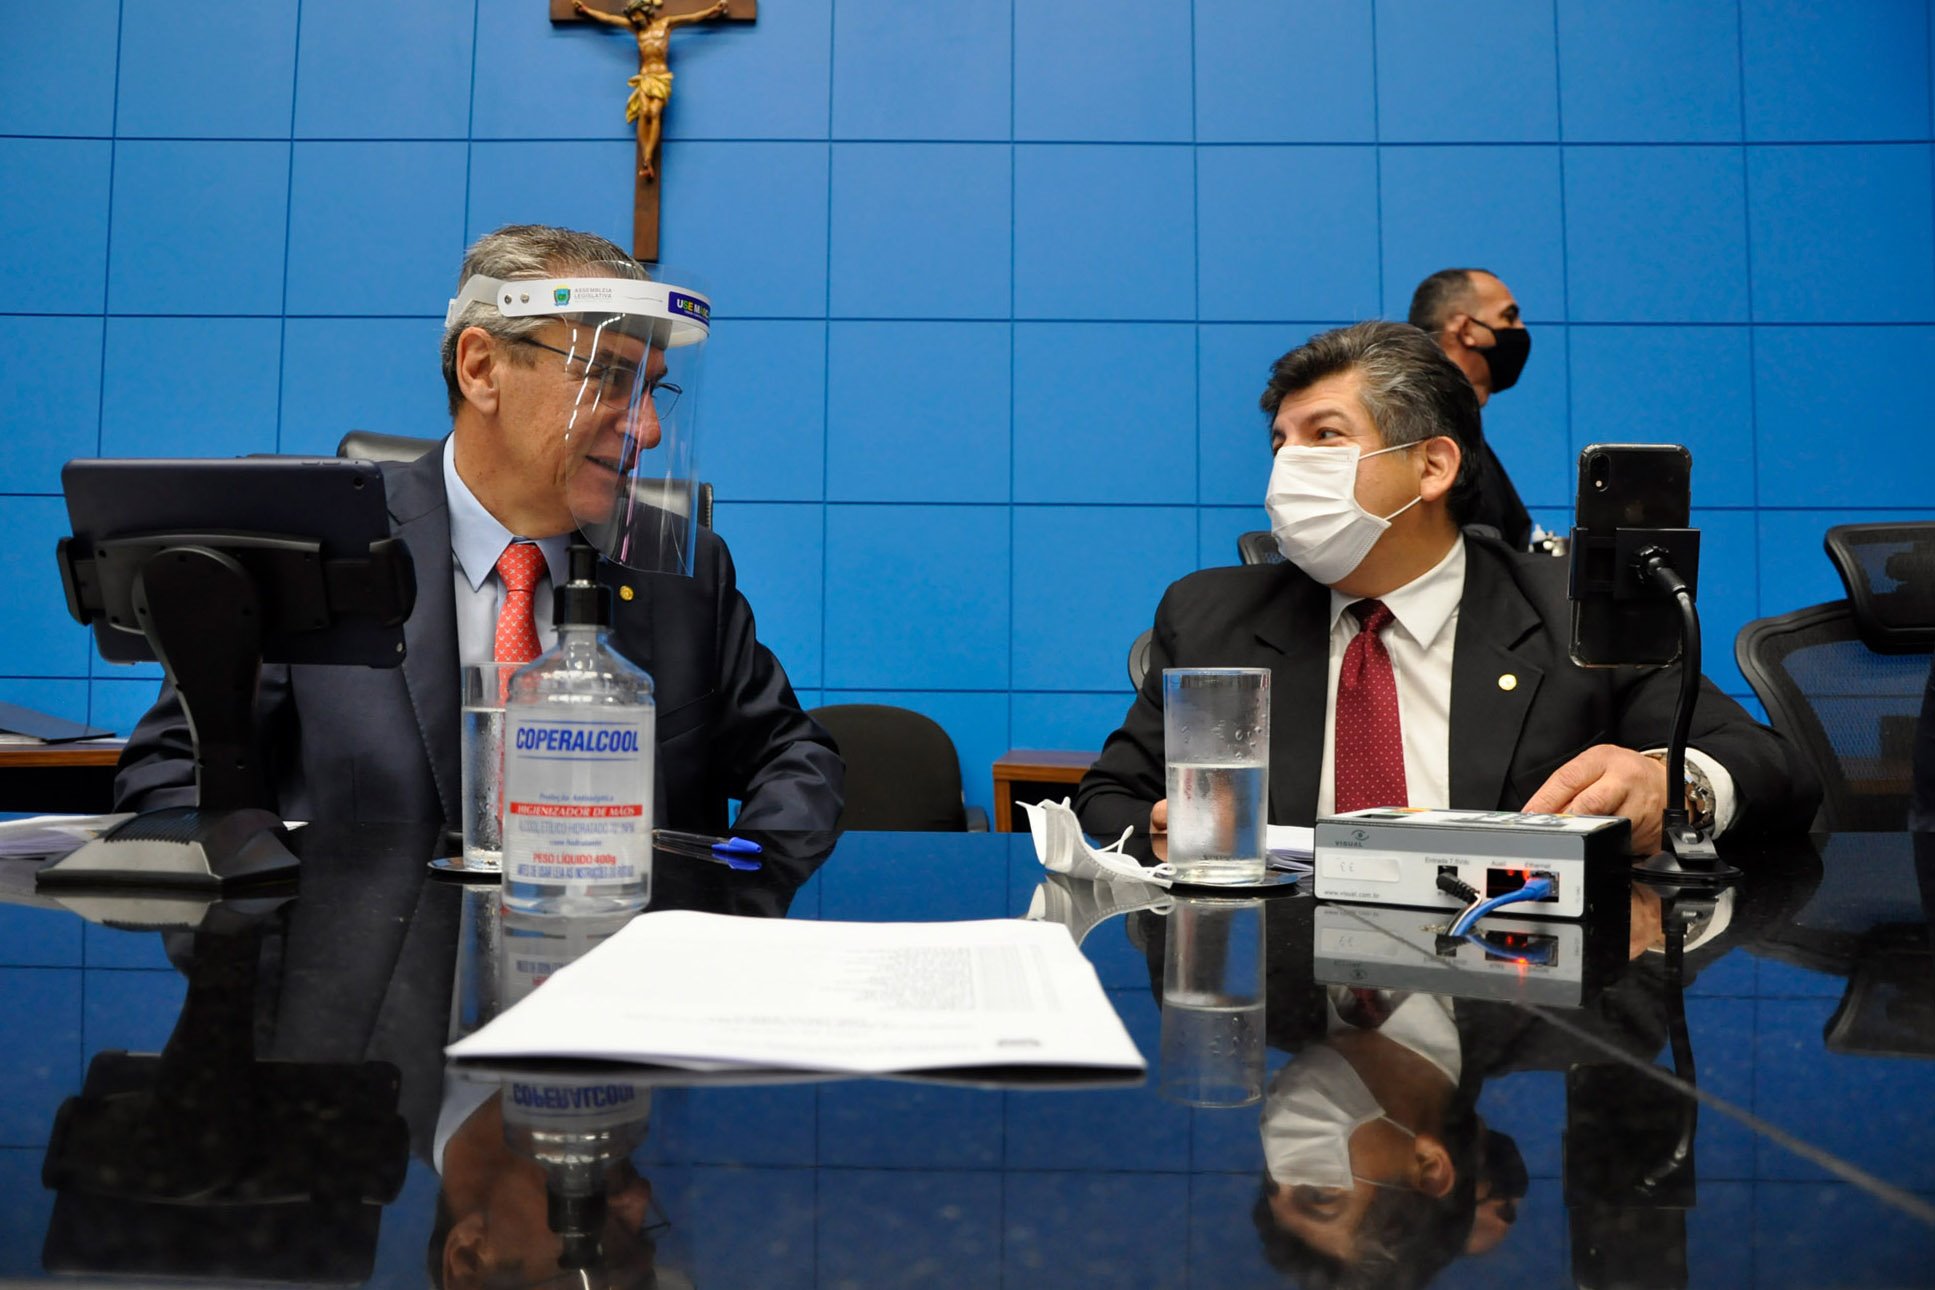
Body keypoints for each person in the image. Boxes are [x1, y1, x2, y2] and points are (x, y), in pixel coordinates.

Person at [116, 223, 843, 834]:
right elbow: (172, 774)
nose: (648, 431)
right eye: (608, 379)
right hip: (366, 953)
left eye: (652, 389)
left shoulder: (680, 567)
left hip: (609, 942)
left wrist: (734, 898)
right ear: (481, 368)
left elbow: (795, 762)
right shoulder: (314, 544)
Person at [1075, 321, 1819, 855]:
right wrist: (1160, 832)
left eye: (1325, 436)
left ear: (1432, 466)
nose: (1287, 467)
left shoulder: (1573, 613)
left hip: (1519, 978)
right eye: (1281, 443)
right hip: (1285, 976)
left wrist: (1671, 786)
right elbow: (1109, 801)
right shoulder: (1214, 615)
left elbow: (1775, 769)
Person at [1408, 268, 1534, 550]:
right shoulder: (1428, 429)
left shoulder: (1462, 427)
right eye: (1509, 316)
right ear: (1466, 330)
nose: (1520, 329)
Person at [574, 0, 732, 181]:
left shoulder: (666, 24)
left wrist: (713, 10)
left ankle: (648, 156)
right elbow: (608, 19)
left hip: (661, 77)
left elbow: (692, 18)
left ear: (645, 11)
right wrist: (587, 11)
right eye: (632, 17)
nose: (635, 19)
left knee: (654, 112)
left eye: (636, 15)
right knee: (644, 112)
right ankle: (646, 158)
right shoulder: (636, 30)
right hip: (645, 77)